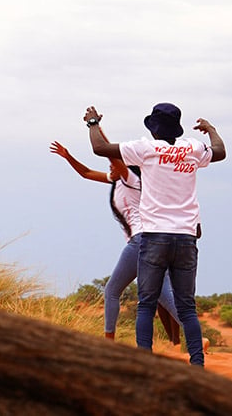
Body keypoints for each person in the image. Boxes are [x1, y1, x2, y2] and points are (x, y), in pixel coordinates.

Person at [85, 103, 226, 366]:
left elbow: (100, 149)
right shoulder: (193, 148)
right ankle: (197, 363)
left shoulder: (146, 148)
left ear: (154, 129)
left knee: (146, 304)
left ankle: (146, 365)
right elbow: (220, 152)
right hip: (186, 238)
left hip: (153, 237)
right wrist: (211, 129)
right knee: (187, 306)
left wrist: (93, 123)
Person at [49, 140, 182, 342]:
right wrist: (68, 156)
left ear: (125, 165)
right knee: (164, 295)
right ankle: (198, 334)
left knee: (112, 290)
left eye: (115, 163)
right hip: (153, 242)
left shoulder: (131, 179)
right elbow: (85, 173)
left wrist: (95, 126)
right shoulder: (118, 181)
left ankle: (108, 342)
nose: (110, 166)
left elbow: (110, 154)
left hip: (141, 241)